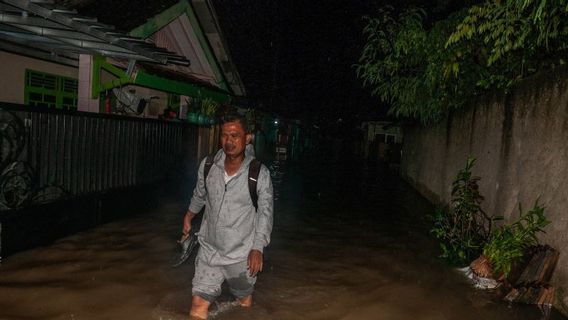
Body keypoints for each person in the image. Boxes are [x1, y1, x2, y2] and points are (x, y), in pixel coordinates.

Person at [182, 113, 274, 320]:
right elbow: (200, 194)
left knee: (243, 304)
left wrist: (257, 248)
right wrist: (189, 215)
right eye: (225, 135)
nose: (229, 141)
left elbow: (265, 214)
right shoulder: (208, 166)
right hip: (209, 251)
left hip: (241, 255)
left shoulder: (259, 173)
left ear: (247, 138)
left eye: (235, 135)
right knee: (197, 306)